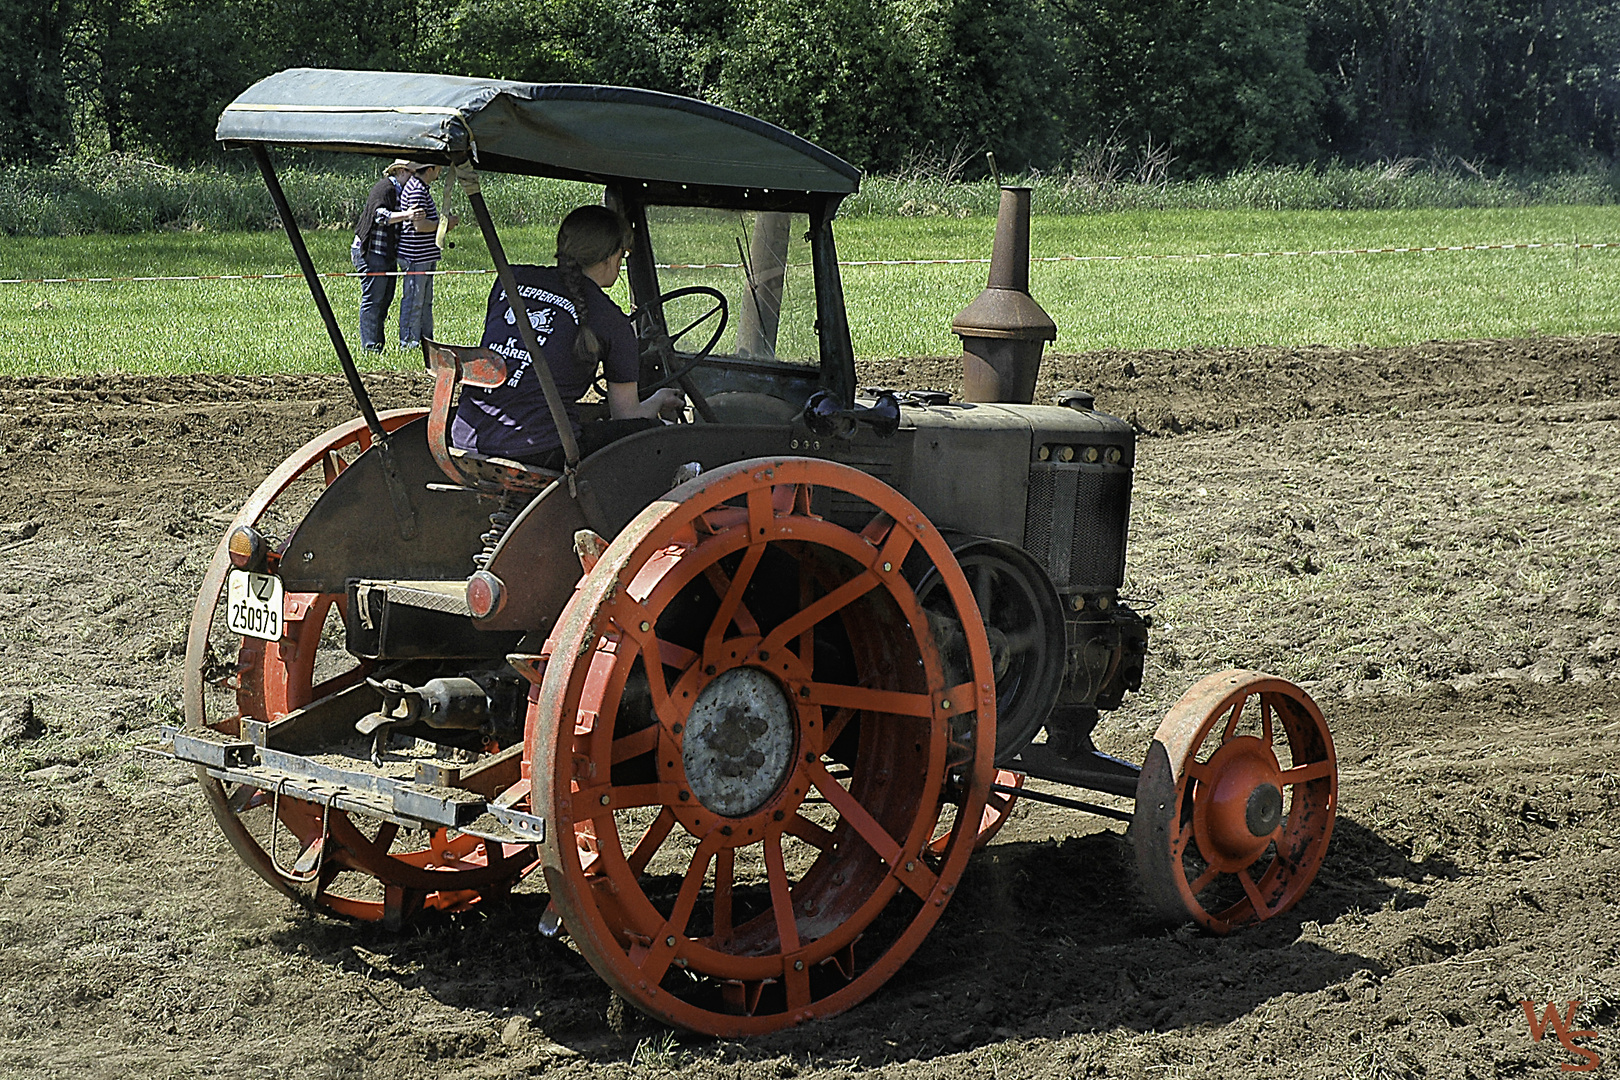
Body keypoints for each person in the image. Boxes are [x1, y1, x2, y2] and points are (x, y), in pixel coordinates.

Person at [452, 205, 684, 469]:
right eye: (623, 254)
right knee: (661, 434)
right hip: (542, 449)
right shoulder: (612, 321)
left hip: (466, 437)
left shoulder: (511, 279)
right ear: (610, 257)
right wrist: (658, 400)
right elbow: (626, 417)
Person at [349, 160, 419, 353]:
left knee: (385, 299)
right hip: (371, 252)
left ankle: (377, 345)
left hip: (386, 254)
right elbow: (381, 216)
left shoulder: (401, 192)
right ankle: (371, 348)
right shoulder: (385, 188)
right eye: (414, 173)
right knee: (373, 300)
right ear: (403, 171)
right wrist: (408, 215)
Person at [396, 163, 458, 351]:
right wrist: (445, 224)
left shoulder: (422, 188)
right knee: (414, 300)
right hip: (416, 255)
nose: (440, 172)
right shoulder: (416, 190)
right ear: (429, 169)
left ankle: (425, 340)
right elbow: (419, 226)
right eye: (438, 168)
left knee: (425, 301)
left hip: (426, 254)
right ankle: (409, 343)